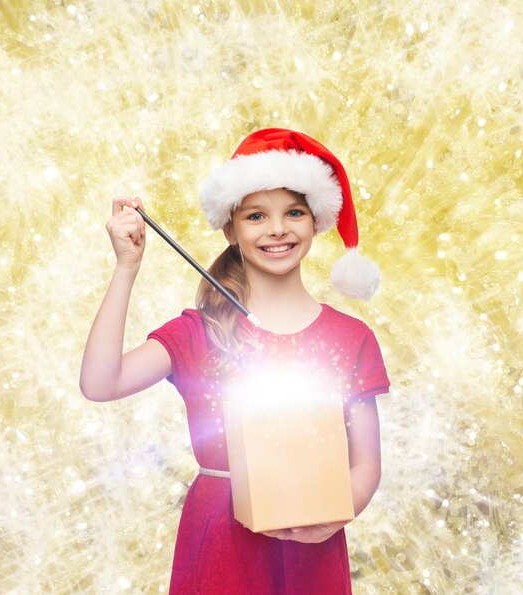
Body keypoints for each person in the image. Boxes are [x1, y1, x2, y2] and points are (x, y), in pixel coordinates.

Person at [80, 128, 390, 594]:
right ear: (231, 228)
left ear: (315, 222)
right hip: (220, 545)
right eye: (256, 215)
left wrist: (335, 516)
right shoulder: (197, 331)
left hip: (315, 542)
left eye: (294, 212)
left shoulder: (352, 337)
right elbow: (101, 383)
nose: (278, 229)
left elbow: (366, 462)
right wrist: (127, 267)